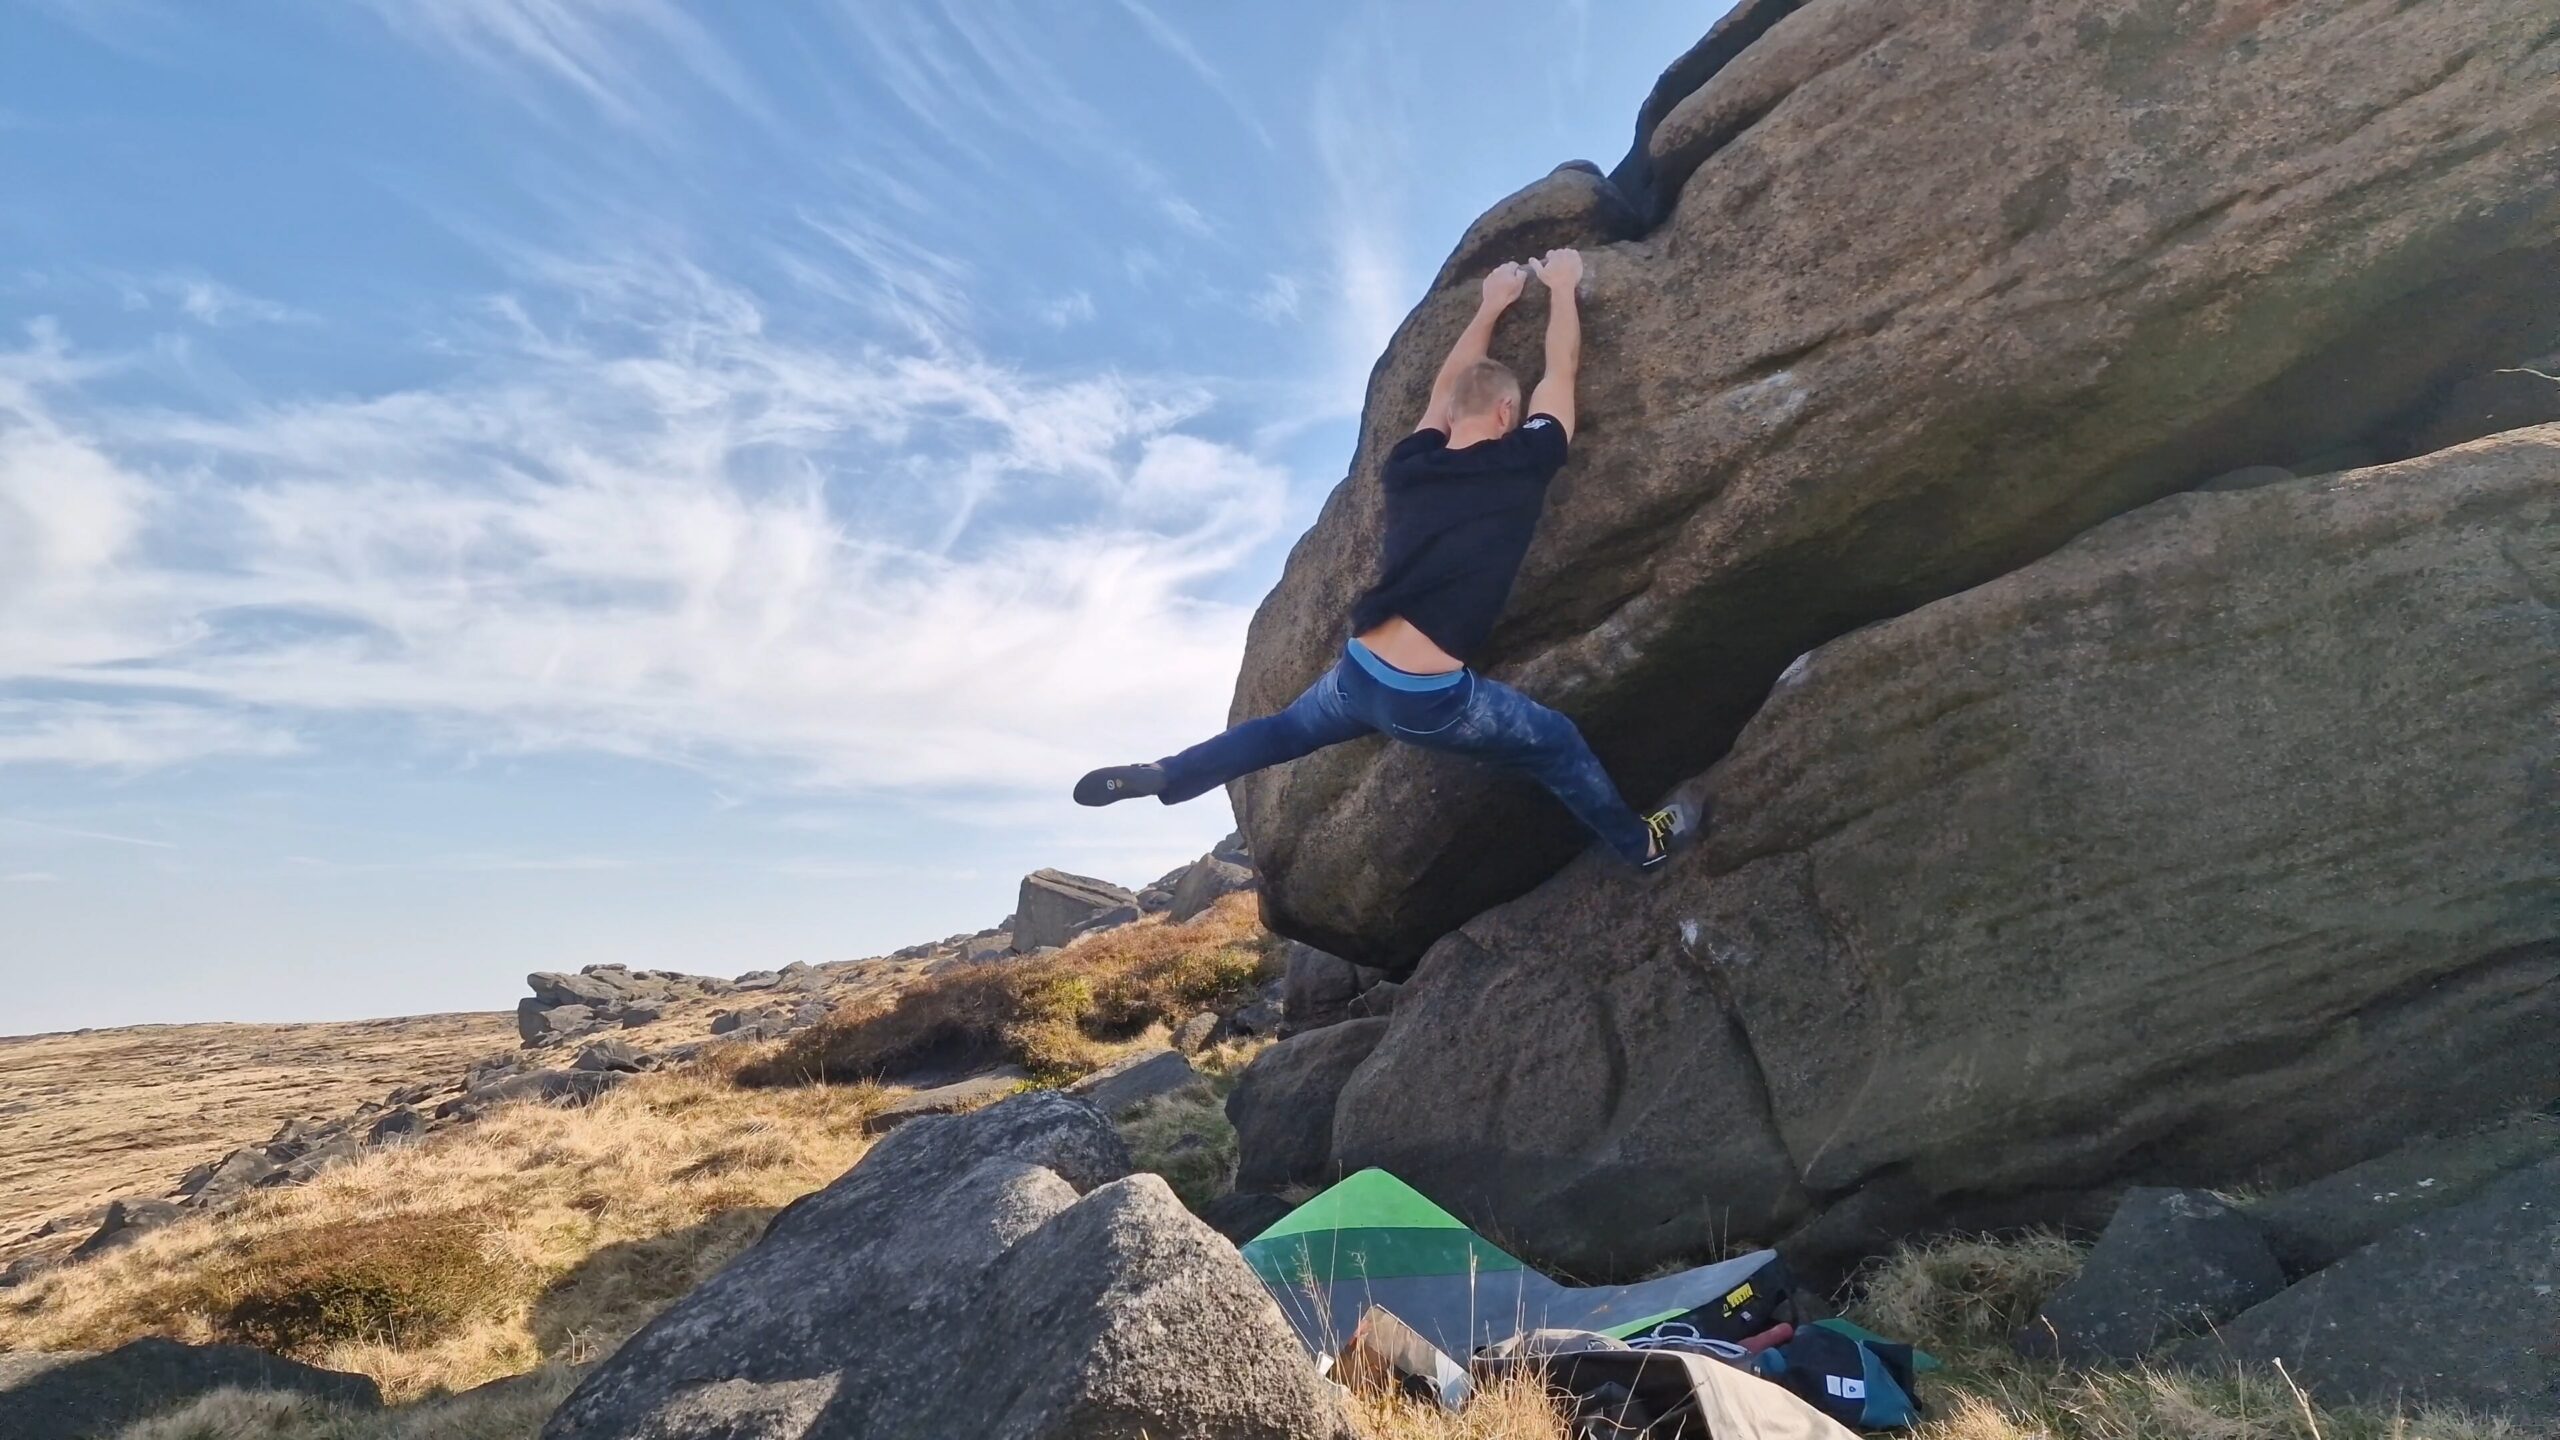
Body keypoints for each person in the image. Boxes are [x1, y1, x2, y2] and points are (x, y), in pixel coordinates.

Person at [1075, 248, 1693, 867]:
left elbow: (1447, 384)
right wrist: (1562, 286)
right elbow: (1562, 369)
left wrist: (1491, 304)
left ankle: (1168, 772)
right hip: (1429, 700)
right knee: (1556, 743)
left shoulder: (1409, 466)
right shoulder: (1522, 463)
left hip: (1358, 672)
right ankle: (1640, 845)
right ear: (1509, 413)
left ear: (1450, 415)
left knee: (1282, 732)